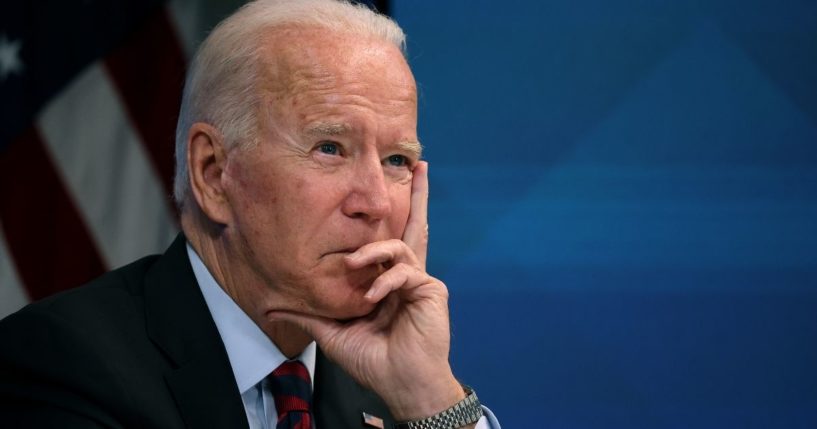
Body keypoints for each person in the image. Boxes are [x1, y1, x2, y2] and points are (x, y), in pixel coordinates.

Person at [0, 1, 500, 428]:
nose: (375, 202)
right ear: (213, 173)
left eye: (397, 161)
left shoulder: (391, 379)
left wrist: (431, 399)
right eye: (329, 148)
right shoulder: (62, 363)